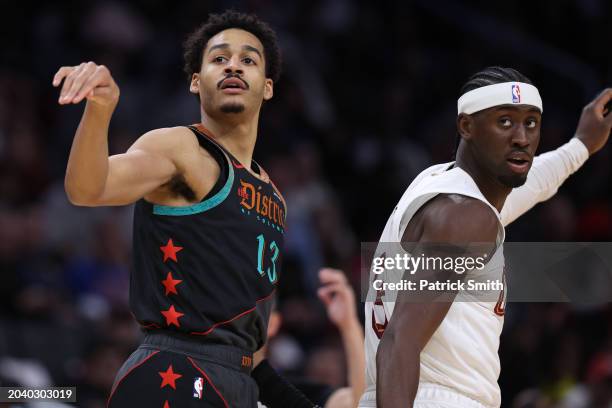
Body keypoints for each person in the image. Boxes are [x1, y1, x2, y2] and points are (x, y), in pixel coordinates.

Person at [53, 10, 314, 408]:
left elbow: (252, 351)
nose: (233, 66)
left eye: (249, 60)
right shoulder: (179, 148)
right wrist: (100, 109)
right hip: (172, 370)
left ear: (268, 87)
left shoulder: (274, 197)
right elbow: (88, 189)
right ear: (196, 81)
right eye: (219, 58)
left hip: (238, 384)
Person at [358, 67, 612, 407]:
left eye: (531, 123)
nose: (521, 138)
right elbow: (399, 342)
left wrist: (579, 147)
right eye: (504, 122)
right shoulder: (465, 217)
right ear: (466, 126)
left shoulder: (439, 185)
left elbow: (530, 185)